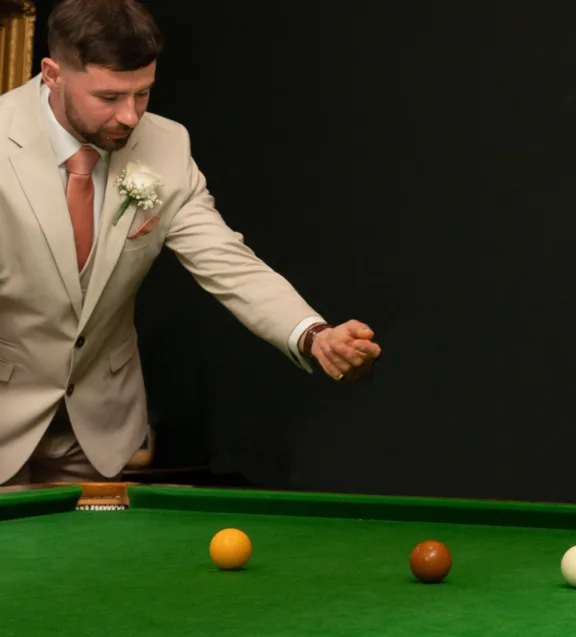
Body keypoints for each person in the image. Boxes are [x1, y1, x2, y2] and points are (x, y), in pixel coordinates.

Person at [0, 0, 381, 486]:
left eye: (143, 94)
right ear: (52, 74)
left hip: (95, 431)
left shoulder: (167, 144)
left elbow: (228, 261)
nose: (132, 116)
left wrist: (313, 334)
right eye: (110, 96)